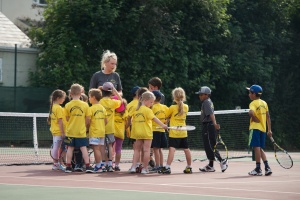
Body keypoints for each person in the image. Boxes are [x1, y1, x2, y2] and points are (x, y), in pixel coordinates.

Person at [129, 91, 168, 174]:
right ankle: (145, 168)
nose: (151, 104)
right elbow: (154, 119)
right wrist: (163, 125)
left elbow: (129, 118)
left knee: (137, 150)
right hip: (146, 133)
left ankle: (133, 167)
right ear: (145, 100)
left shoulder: (135, 109)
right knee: (146, 151)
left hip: (137, 132)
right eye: (151, 102)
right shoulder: (147, 110)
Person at [158, 87, 192, 174]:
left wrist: (165, 123)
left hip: (174, 133)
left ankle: (168, 167)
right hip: (183, 132)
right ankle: (189, 167)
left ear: (174, 97)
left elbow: (167, 116)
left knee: (172, 150)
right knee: (186, 149)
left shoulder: (172, 107)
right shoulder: (186, 107)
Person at [197, 86, 228, 173]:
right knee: (209, 145)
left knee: (210, 146)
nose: (199, 96)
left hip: (208, 125)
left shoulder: (206, 102)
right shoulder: (207, 101)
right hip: (207, 125)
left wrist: (214, 124)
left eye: (201, 94)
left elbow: (211, 114)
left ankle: (222, 160)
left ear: (206, 95)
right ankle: (211, 165)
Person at [64, 83, 93, 173]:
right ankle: (88, 166)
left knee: (70, 148)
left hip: (70, 131)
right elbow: (88, 118)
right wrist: (85, 126)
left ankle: (68, 166)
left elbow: (67, 118)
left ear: (71, 94)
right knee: (83, 148)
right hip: (81, 131)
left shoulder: (67, 105)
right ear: (81, 93)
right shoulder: (85, 105)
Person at [246, 85, 272, 176]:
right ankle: (267, 167)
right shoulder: (264, 103)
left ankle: (258, 168)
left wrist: (254, 117)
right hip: (263, 128)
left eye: (250, 92)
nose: (249, 94)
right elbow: (268, 116)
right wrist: (269, 129)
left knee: (256, 147)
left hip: (255, 128)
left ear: (254, 94)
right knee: (259, 148)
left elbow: (251, 112)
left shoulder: (253, 103)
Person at [99, 82, 122, 172]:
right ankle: (109, 164)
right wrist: (115, 91)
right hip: (110, 128)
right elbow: (121, 101)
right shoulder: (113, 102)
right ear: (111, 92)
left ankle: (104, 163)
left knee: (102, 146)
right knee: (110, 146)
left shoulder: (100, 102)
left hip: (101, 127)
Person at [87, 88, 107, 173]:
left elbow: (88, 121)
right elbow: (106, 121)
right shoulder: (103, 108)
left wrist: (87, 129)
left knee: (96, 149)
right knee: (100, 148)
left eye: (89, 97)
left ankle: (98, 165)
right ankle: (102, 164)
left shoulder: (91, 108)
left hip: (94, 132)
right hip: (102, 131)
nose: (89, 98)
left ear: (93, 97)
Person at [47, 89, 66, 171]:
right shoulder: (58, 108)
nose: (64, 100)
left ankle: (56, 163)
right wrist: (62, 132)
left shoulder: (53, 107)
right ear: (58, 98)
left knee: (56, 147)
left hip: (54, 130)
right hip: (58, 131)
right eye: (63, 98)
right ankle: (56, 164)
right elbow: (60, 121)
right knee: (56, 147)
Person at [150, 90, 169, 172]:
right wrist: (165, 122)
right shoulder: (165, 107)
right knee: (160, 149)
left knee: (156, 149)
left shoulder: (152, 107)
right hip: (162, 131)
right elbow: (169, 116)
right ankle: (161, 165)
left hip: (155, 130)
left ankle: (157, 165)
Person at [148, 77, 165, 167]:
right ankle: (157, 164)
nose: (149, 88)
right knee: (155, 149)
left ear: (155, 87)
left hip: (155, 128)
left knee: (156, 149)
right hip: (157, 127)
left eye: (150, 87)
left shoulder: (158, 98)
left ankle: (158, 165)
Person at [112, 96, 128, 171]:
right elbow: (128, 123)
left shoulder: (112, 113)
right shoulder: (125, 113)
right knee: (118, 150)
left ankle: (109, 163)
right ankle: (117, 165)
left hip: (112, 133)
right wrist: (125, 129)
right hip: (121, 134)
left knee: (109, 148)